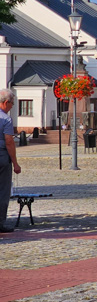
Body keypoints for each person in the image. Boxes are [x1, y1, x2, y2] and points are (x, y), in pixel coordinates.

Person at [0, 89, 22, 233]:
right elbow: (9, 142)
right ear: (6, 102)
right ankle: (0, 223)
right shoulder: (6, 119)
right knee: (2, 191)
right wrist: (15, 163)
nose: (12, 106)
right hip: (1, 158)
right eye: (12, 104)